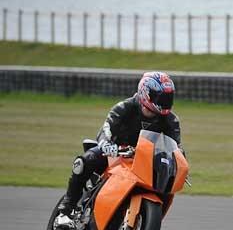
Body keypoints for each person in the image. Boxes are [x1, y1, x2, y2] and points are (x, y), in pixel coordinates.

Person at [57, 71, 182, 215]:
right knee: (84, 161)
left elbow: (176, 148)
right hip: (115, 152)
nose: (164, 102)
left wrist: (178, 162)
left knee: (167, 184)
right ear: (145, 92)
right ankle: (67, 207)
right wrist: (107, 144)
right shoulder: (125, 107)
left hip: (144, 160)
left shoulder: (171, 120)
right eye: (160, 97)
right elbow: (106, 129)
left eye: (167, 98)